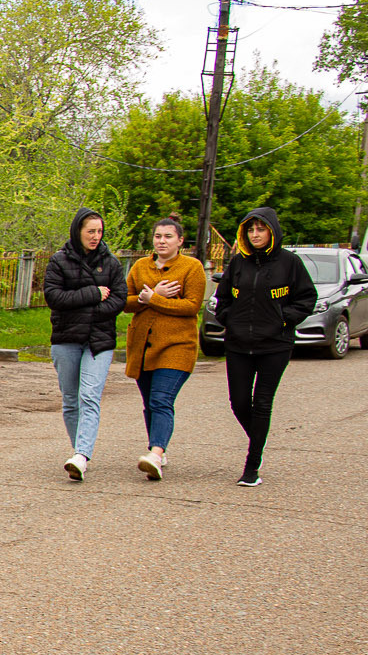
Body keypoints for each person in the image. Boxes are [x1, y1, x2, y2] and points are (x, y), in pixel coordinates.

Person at [212, 205, 316, 486]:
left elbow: (307, 298)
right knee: (239, 402)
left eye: (260, 229)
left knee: (262, 403)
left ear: (272, 232)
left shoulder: (289, 263)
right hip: (237, 345)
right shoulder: (237, 263)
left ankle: (251, 466)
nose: (255, 234)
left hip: (275, 346)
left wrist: (284, 320)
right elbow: (222, 299)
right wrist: (228, 320)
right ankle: (258, 440)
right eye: (250, 229)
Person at [43, 208, 128, 481]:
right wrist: (93, 294)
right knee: (70, 399)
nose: (95, 236)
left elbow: (118, 301)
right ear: (78, 231)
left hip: (99, 342)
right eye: (90, 231)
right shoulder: (59, 261)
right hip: (66, 339)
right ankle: (79, 448)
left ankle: (81, 455)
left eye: (99, 231)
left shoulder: (111, 264)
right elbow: (55, 298)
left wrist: (84, 308)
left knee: (89, 395)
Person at [123, 216, 207, 480]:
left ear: (180, 241)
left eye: (168, 236)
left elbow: (192, 306)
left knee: (161, 399)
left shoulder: (192, 268)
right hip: (143, 347)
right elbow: (125, 302)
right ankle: (157, 447)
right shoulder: (140, 267)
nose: (162, 241)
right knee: (150, 403)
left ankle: (156, 454)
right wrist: (147, 298)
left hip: (176, 347)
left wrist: (154, 299)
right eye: (158, 236)